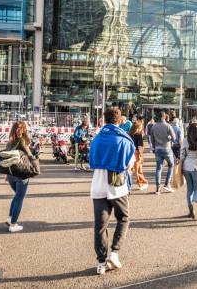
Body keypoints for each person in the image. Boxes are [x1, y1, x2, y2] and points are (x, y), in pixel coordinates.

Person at [89, 106, 135, 275]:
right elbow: (130, 163)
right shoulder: (124, 139)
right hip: (118, 187)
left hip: (98, 186)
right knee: (123, 218)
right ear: (119, 119)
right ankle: (114, 253)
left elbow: (91, 159)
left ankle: (101, 263)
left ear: (104, 119)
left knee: (100, 226)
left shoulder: (97, 138)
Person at [5, 121, 36, 233]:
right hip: (21, 174)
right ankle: (13, 224)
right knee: (19, 198)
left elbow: (6, 158)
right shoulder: (22, 141)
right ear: (24, 130)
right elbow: (30, 156)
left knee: (17, 196)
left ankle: (9, 218)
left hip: (10, 175)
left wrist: (6, 174)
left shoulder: (10, 142)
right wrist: (36, 169)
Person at [180, 123, 197, 219]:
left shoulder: (185, 141)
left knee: (189, 189)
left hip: (186, 167)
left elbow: (182, 155)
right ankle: (194, 202)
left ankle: (190, 209)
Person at [149, 112, 176, 194]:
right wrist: (169, 138)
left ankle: (157, 188)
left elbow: (152, 139)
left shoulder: (153, 126)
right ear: (164, 117)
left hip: (157, 148)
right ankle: (167, 184)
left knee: (158, 168)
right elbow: (174, 138)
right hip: (167, 148)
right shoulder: (168, 126)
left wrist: (154, 147)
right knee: (171, 165)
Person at [130, 120, 149, 191]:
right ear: (138, 127)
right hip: (137, 153)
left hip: (131, 153)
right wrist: (141, 156)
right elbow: (140, 146)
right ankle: (141, 182)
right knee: (138, 169)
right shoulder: (139, 134)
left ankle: (141, 182)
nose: (141, 129)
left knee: (134, 169)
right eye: (141, 127)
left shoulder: (129, 133)